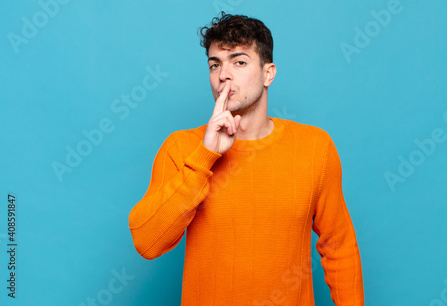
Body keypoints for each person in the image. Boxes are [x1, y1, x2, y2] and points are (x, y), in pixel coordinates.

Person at [129, 11, 364, 305]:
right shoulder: (181, 147)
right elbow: (147, 242)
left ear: (269, 73)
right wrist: (206, 155)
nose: (223, 75)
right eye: (215, 65)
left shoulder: (315, 147)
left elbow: (339, 247)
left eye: (239, 62)